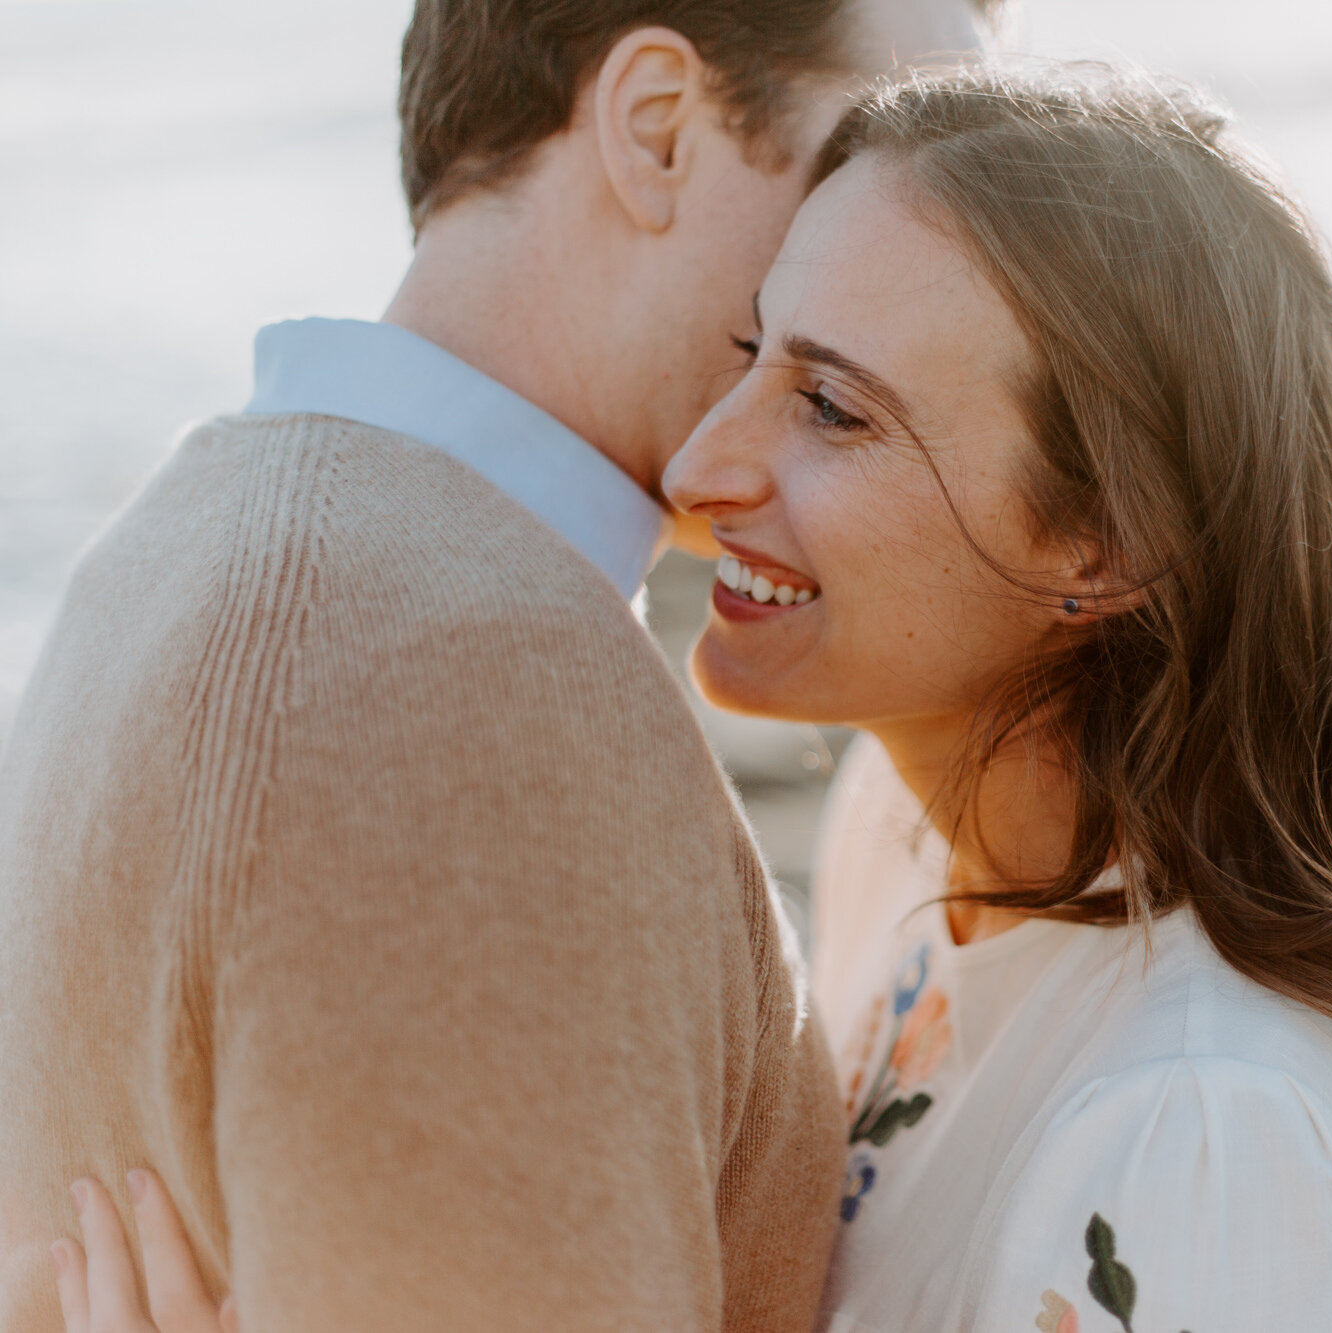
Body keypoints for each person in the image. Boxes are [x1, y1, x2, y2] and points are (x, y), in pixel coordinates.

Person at [53, 64, 1332, 1333]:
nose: (701, 467)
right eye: (751, 350)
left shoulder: (1207, 1121)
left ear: (1108, 539)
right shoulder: (897, 837)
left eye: (831, 408)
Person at [0, 3, 991, 1332]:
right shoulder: (469, 706)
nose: (941, 264)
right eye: (871, 159)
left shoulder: (157, 557)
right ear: (655, 131)